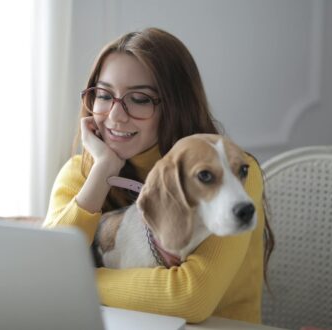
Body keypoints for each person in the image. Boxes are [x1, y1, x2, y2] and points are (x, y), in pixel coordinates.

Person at [42, 27, 274, 324]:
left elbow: (191, 299)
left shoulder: (236, 173)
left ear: (176, 105)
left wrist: (77, 283)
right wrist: (102, 173)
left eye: (139, 99)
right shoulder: (81, 172)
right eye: (103, 95)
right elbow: (49, 269)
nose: (115, 115)